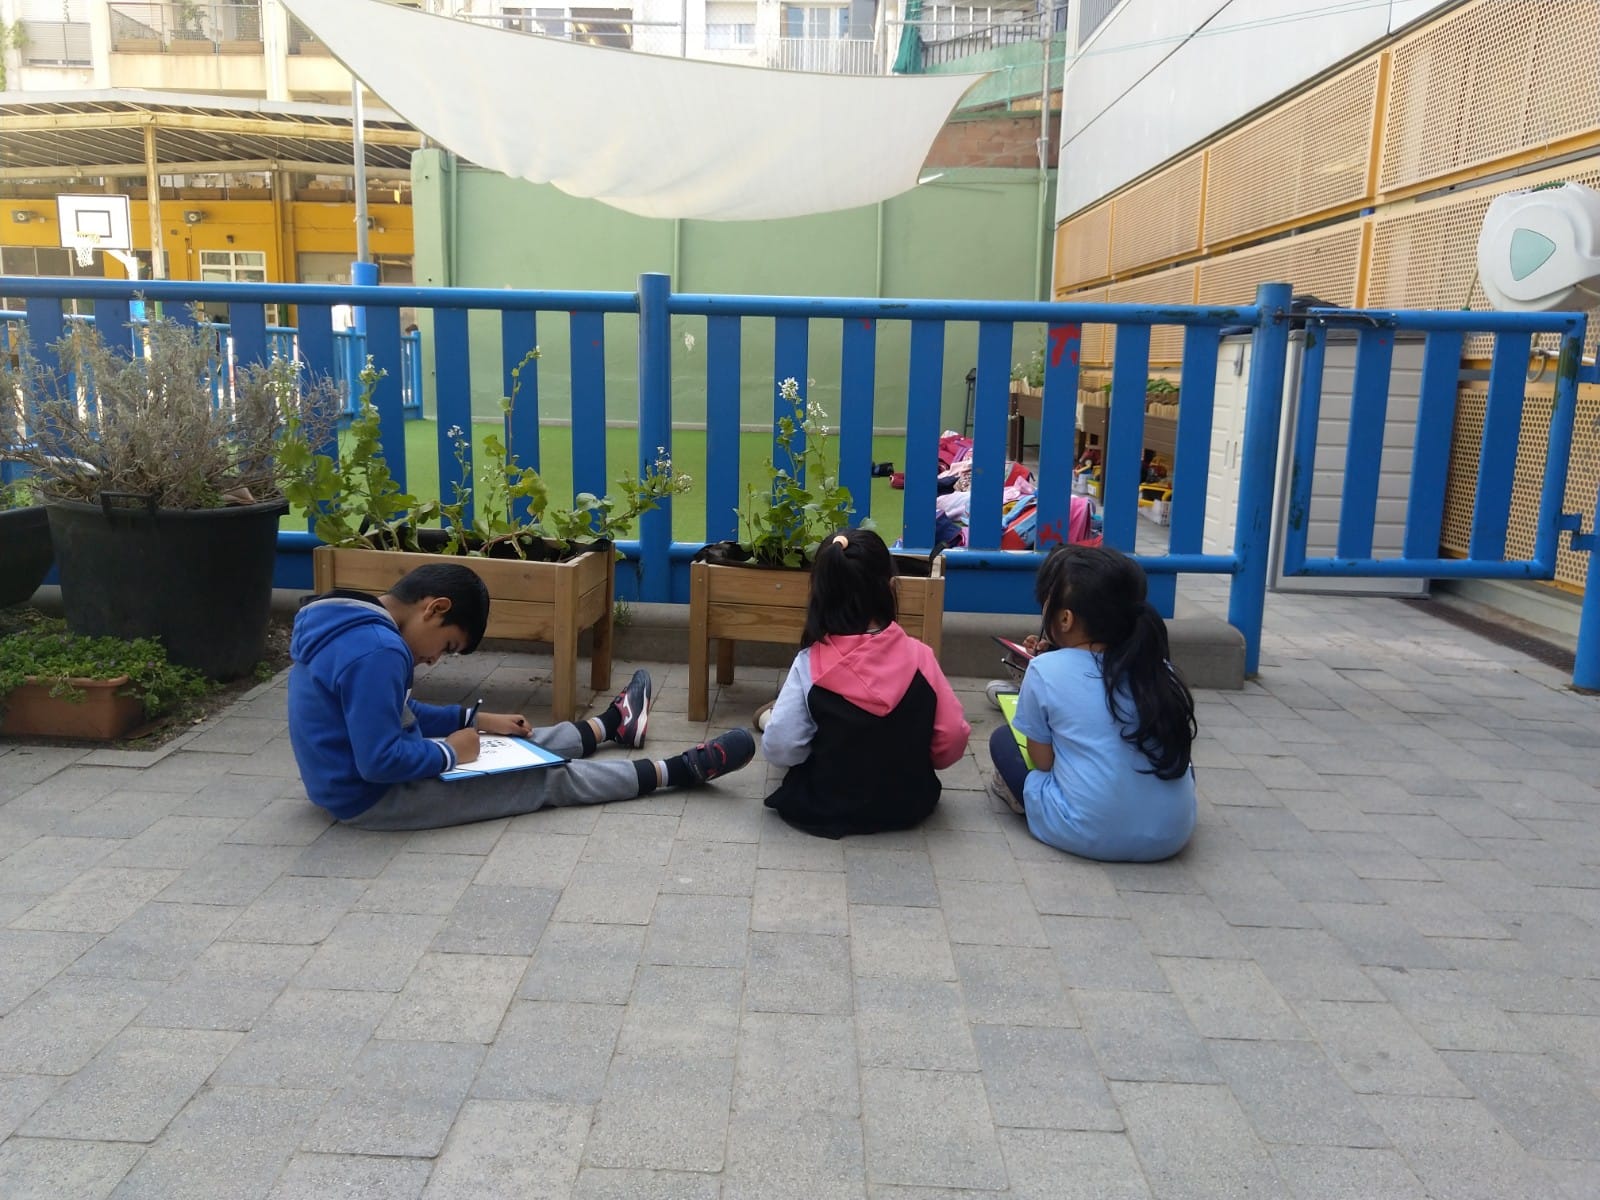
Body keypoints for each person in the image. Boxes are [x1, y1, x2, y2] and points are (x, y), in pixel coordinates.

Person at [287, 563, 755, 831]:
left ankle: (607, 727)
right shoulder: (380, 651)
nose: (433, 660)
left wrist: (474, 720)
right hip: (374, 797)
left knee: (510, 741)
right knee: (542, 779)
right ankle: (676, 771)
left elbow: (399, 715)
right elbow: (377, 762)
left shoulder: (352, 624)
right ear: (435, 608)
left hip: (351, 783)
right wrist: (451, 752)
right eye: (447, 646)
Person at [989, 544, 1197, 862]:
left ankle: (1027, 802)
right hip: (1171, 834)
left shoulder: (1044, 669)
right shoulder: (1158, 668)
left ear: (1065, 618)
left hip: (1085, 831)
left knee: (1003, 740)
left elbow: (1043, 762)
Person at [762, 529, 971, 838]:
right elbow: (952, 738)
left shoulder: (809, 663)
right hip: (909, 804)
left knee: (782, 726)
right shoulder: (921, 657)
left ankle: (768, 715)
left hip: (825, 805)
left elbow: (781, 748)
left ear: (819, 594)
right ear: (890, 587)